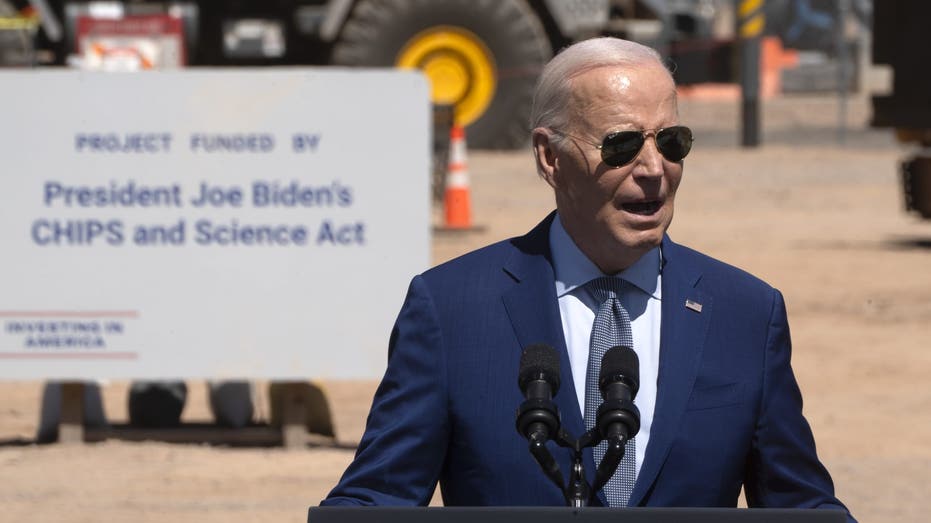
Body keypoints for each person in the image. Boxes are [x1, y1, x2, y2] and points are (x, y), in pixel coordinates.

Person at [321, 37, 855, 522]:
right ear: (549, 158)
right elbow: (376, 500)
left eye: (671, 142)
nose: (652, 168)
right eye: (622, 144)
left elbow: (802, 507)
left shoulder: (745, 313)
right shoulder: (451, 309)